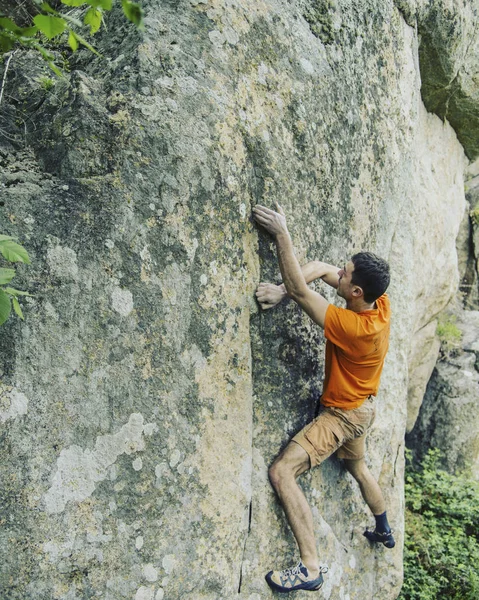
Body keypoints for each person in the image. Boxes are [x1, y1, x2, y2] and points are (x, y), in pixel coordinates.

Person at [252, 202, 395, 594]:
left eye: (345, 274)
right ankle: (383, 526)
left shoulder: (354, 328)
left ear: (356, 291)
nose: (339, 273)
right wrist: (282, 291)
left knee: (283, 472)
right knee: (359, 469)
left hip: (343, 417)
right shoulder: (378, 304)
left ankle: (310, 567)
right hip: (364, 410)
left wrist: (283, 234)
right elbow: (316, 268)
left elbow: (304, 288)